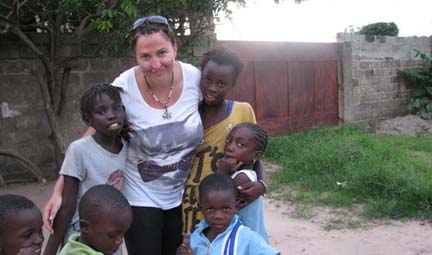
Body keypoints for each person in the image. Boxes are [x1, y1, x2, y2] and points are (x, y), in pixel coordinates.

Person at [44, 15, 204, 255]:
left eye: (162, 53)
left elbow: (221, 115)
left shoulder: (195, 79)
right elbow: (90, 136)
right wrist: (58, 191)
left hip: (181, 195)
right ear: (135, 57)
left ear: (175, 47)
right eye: (145, 57)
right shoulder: (125, 86)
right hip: (140, 194)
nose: (155, 64)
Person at [182, 47, 267, 235]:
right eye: (207, 80)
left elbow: (256, 158)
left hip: (223, 210)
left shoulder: (242, 111)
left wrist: (262, 185)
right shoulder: (185, 113)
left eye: (221, 84)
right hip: (187, 204)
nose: (212, 88)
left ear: (232, 84)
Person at [44, 84, 127, 255]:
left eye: (116, 108)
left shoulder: (127, 147)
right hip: (83, 233)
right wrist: (50, 250)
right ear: (88, 119)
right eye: (101, 112)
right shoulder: (79, 150)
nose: (111, 115)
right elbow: (67, 205)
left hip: (111, 234)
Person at [177, 173, 279, 255]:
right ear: (201, 208)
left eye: (225, 209)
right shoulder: (197, 236)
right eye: (210, 209)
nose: (218, 216)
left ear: (236, 207)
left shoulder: (246, 237)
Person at [218, 122, 270, 242]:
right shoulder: (244, 174)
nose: (230, 147)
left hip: (243, 244)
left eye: (240, 145)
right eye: (228, 141)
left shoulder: (242, 178)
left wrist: (221, 172)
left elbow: (216, 199)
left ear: (257, 155)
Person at [59, 185, 132, 255]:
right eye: (112, 235)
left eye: (123, 234)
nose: (120, 241)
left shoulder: (70, 246)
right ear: (85, 226)